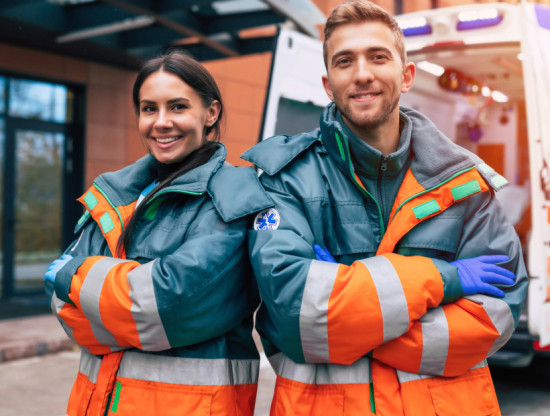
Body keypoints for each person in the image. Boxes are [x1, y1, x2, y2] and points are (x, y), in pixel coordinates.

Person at [242, 1, 528, 415]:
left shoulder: (465, 184)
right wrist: (443, 279)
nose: (362, 74)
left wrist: (347, 308)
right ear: (328, 83)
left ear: (406, 75)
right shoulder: (284, 179)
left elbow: (495, 316)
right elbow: (295, 317)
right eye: (345, 61)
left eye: (378, 57)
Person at [44, 50, 272, 416]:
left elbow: (173, 303)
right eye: (149, 109)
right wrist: (129, 308)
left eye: (178, 107)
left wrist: (74, 278)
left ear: (210, 113)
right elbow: (62, 309)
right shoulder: (116, 194)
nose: (161, 122)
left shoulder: (233, 195)